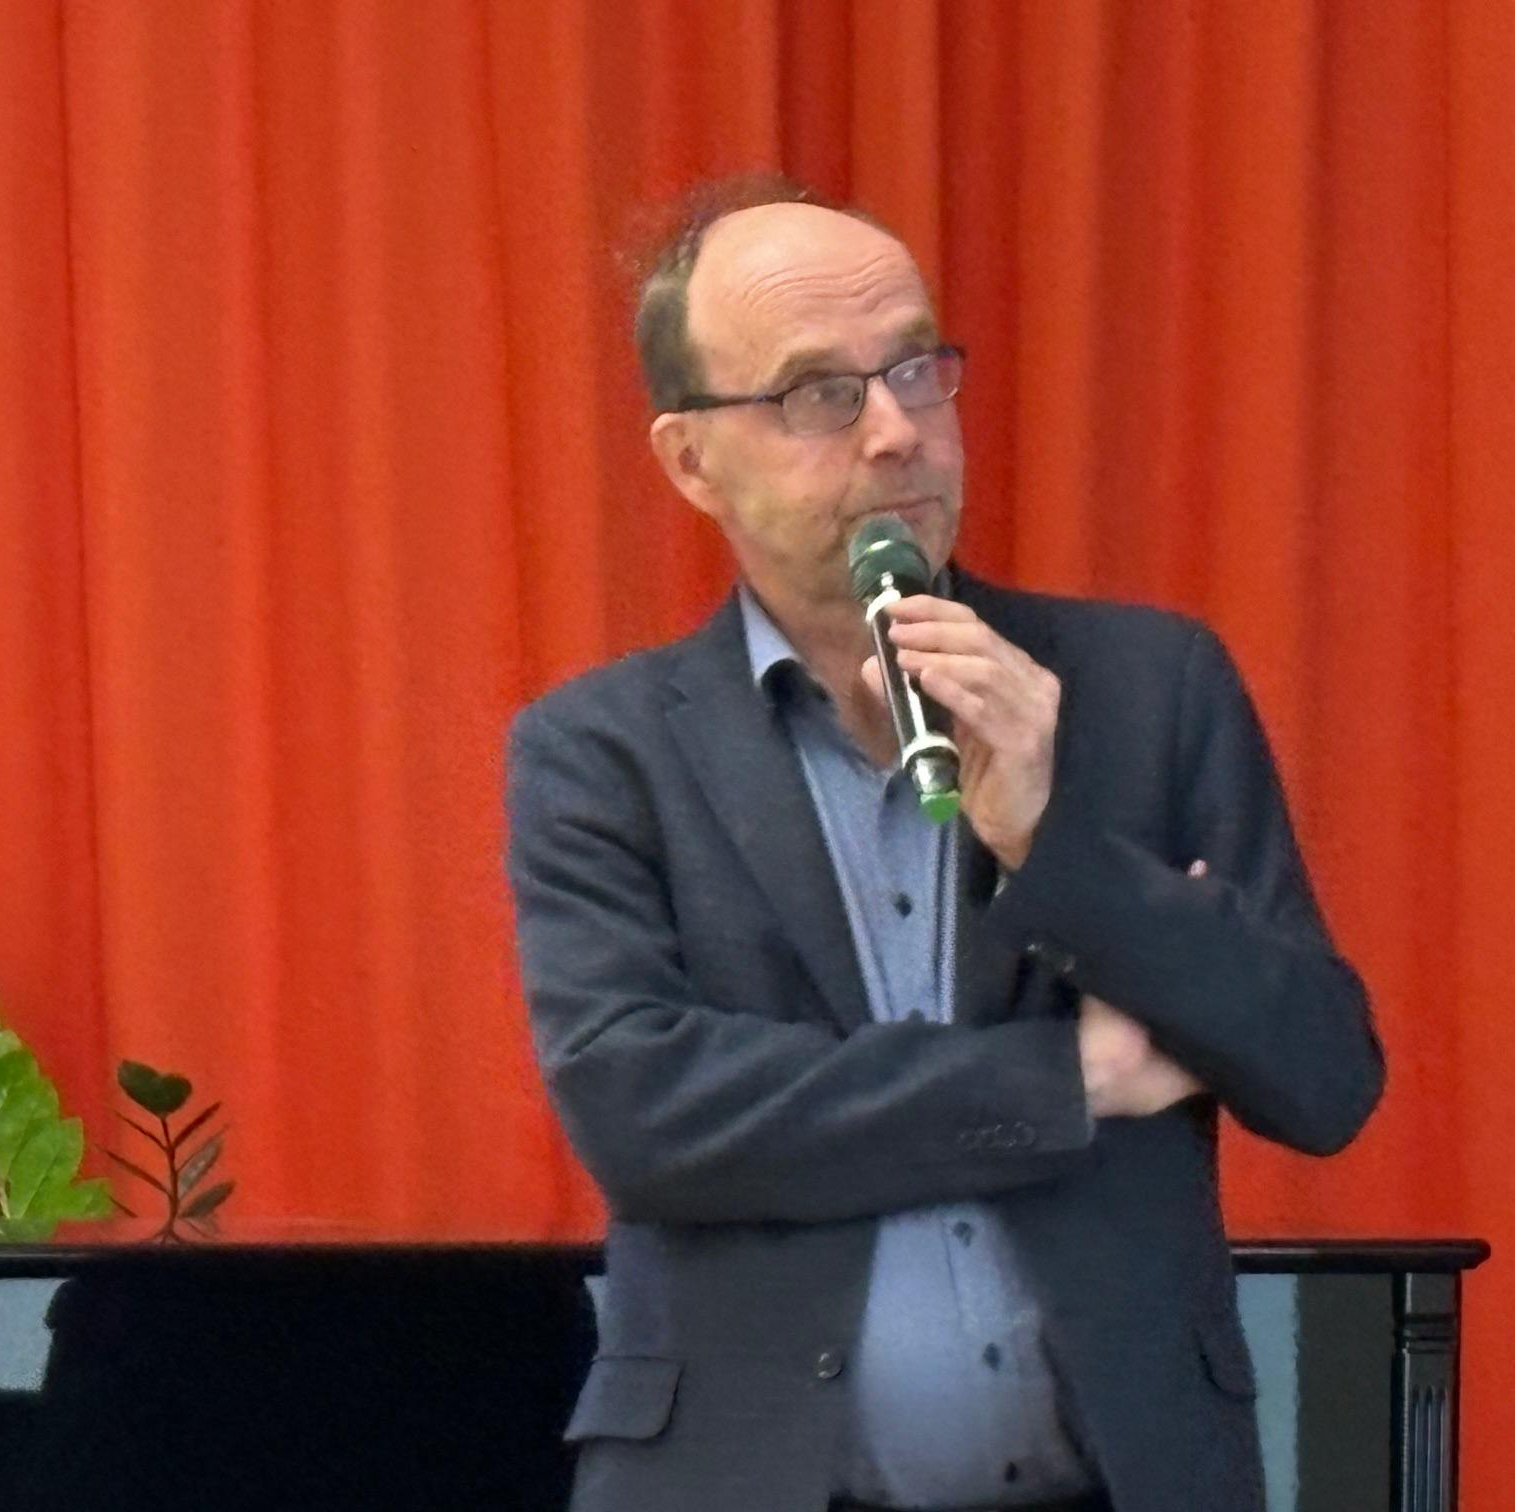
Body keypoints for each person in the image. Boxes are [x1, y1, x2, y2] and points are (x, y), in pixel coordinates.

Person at [508, 176, 1384, 1512]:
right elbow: (648, 1113)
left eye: (917, 369)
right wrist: (1066, 1081)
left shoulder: (1148, 688)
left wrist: (1051, 838)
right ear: (691, 461)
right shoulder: (601, 748)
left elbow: (1324, 1078)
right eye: (819, 393)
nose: (896, 432)